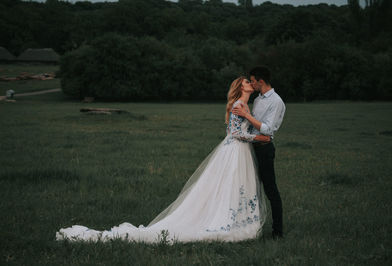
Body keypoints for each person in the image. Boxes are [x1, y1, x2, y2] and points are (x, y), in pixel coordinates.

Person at [56, 76, 271, 243]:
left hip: (242, 151)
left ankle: (241, 220)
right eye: (246, 82)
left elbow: (244, 128)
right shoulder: (237, 106)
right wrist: (256, 137)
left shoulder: (245, 106)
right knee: (229, 185)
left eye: (250, 81)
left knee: (239, 186)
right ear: (240, 87)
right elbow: (233, 132)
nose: (250, 83)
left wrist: (260, 132)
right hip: (234, 150)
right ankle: (226, 221)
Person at [232, 66, 286, 239]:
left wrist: (246, 115)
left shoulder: (276, 102)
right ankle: (250, 225)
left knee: (270, 190)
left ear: (261, 81)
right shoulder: (257, 100)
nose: (252, 83)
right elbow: (251, 126)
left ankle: (278, 231)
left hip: (264, 150)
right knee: (250, 188)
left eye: (253, 80)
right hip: (251, 148)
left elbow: (268, 129)